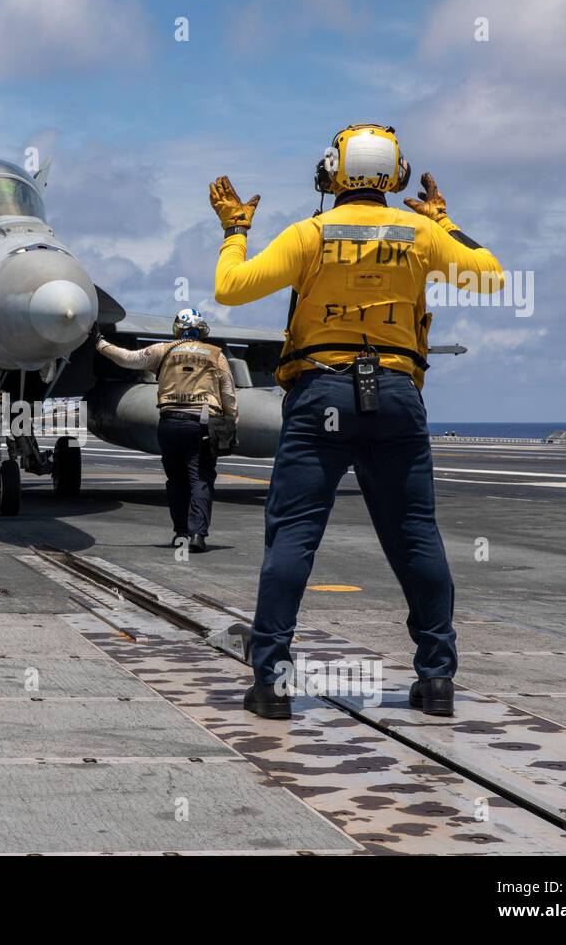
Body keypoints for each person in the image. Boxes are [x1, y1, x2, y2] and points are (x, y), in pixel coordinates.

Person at [209, 123, 503, 720]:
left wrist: (235, 232)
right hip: (395, 394)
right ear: (396, 176)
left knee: (293, 536)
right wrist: (444, 221)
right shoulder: (421, 234)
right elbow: (490, 275)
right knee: (416, 535)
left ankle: (272, 683)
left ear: (331, 173)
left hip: (321, 392)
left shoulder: (310, 233)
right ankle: (437, 680)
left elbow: (229, 289)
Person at [93, 307, 238, 552]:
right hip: (201, 425)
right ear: (201, 329)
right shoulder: (216, 354)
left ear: (178, 329)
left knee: (176, 481)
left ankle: (181, 533)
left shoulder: (164, 350)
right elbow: (228, 393)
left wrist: (100, 343)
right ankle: (197, 535)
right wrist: (230, 422)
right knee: (200, 480)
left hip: (170, 423)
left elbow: (127, 358)